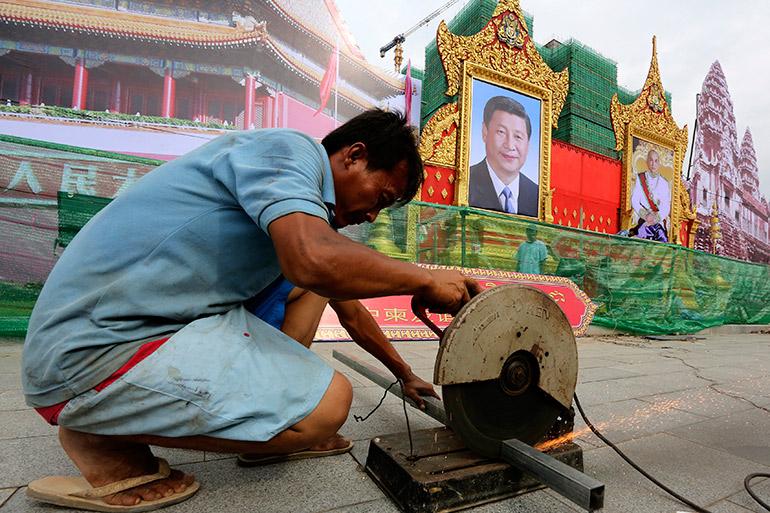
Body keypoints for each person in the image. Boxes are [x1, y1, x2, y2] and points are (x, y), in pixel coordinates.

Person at [22, 109, 482, 511]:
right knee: (329, 404)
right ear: (353, 154)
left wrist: (404, 373)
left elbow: (348, 307)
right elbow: (315, 259)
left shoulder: (293, 218)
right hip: (91, 350)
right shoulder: (288, 151)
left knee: (310, 289)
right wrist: (423, 276)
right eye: (380, 198)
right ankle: (100, 433)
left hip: (142, 331)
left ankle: (267, 427)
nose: (371, 217)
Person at [468, 95, 538, 216]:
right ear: (485, 132)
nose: (510, 145)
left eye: (518, 137)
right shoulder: (466, 182)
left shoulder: (537, 194)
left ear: (528, 145)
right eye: (501, 132)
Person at [630, 148, 670, 238]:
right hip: (643, 220)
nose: (653, 164)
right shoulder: (640, 178)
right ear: (647, 161)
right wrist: (645, 216)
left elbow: (666, 206)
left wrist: (655, 219)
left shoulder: (664, 183)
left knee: (662, 240)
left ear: (659, 163)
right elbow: (635, 200)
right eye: (651, 160)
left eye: (656, 161)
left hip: (657, 223)